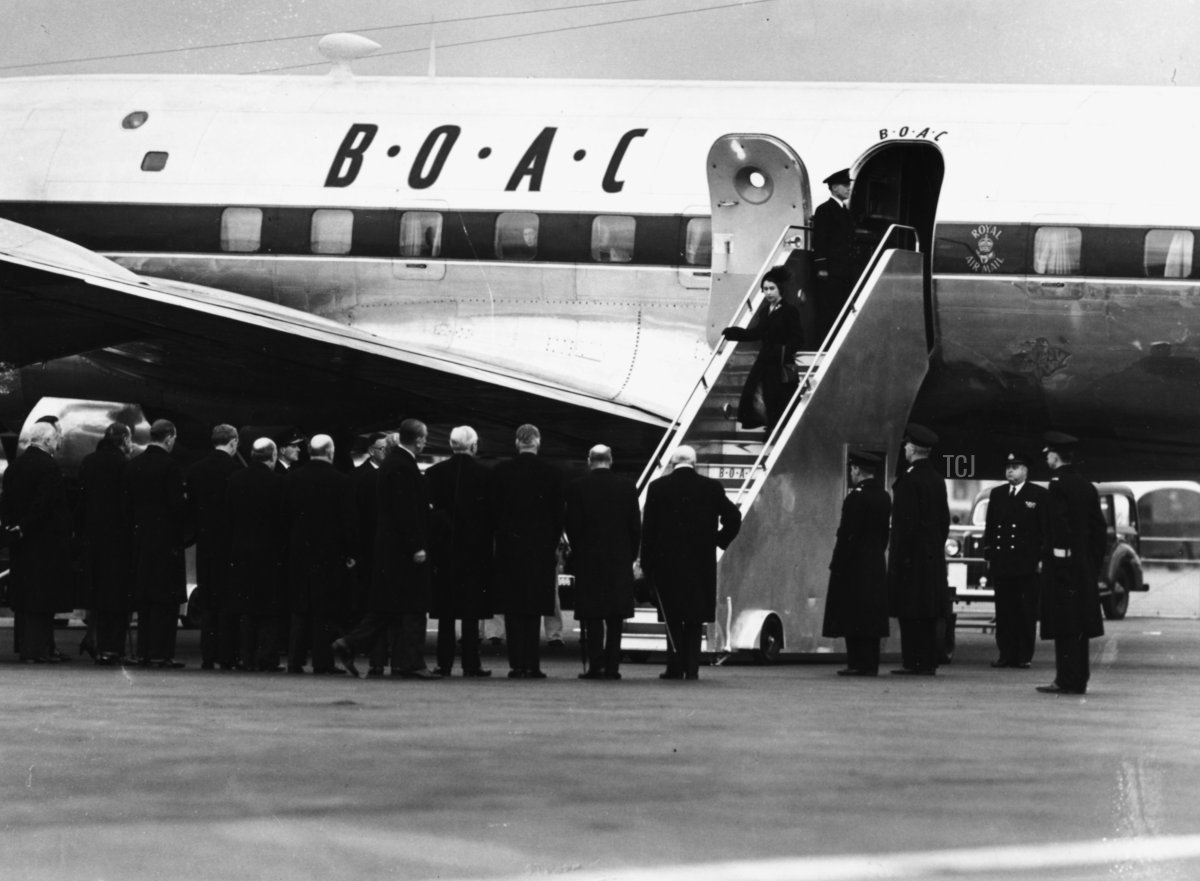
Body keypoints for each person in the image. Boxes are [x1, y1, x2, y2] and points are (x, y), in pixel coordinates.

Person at [335, 419, 437, 679]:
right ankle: (411, 663)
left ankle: (350, 643)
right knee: (413, 607)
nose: (425, 442)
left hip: (389, 549)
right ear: (418, 440)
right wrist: (417, 546)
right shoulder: (403, 465)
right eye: (424, 438)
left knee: (386, 608)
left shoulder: (392, 463)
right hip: (403, 550)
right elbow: (406, 510)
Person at [640, 445, 741, 680]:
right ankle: (692, 667)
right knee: (694, 617)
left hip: (668, 563)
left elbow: (649, 530)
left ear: (673, 463)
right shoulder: (711, 487)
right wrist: (717, 540)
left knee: (673, 616)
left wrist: (646, 563)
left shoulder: (658, 488)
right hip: (700, 562)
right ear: (694, 463)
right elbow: (734, 518)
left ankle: (674, 667)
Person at [490, 424, 565, 679]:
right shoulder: (553, 474)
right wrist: (552, 544)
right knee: (533, 609)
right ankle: (532, 664)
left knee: (512, 608)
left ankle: (516, 664)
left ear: (517, 443)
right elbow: (558, 517)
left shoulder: (500, 472)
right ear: (537, 442)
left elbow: (494, 513)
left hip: (509, 549)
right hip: (539, 550)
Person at [1037, 432, 1106, 696]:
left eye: (1048, 454)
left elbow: (1059, 528)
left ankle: (1065, 679)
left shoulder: (1057, 486)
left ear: (1055, 456)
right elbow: (1099, 530)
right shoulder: (1087, 486)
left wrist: (1059, 561)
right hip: (1083, 566)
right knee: (1079, 625)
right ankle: (1079, 678)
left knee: (1064, 623)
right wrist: (1091, 563)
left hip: (1062, 566)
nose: (1047, 458)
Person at [564, 444, 641, 680]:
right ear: (611, 460)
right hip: (618, 558)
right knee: (615, 616)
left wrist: (578, 552)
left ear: (589, 460)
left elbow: (572, 526)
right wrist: (631, 555)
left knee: (593, 614)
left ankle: (595, 665)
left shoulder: (577, 487)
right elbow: (634, 526)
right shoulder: (627, 488)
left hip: (589, 558)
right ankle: (613, 666)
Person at [284, 434, 358, 675]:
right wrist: (350, 552)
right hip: (329, 554)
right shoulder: (342, 481)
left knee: (299, 608)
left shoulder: (292, 479)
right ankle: (322, 661)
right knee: (323, 610)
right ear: (331, 451)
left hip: (298, 553)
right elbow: (349, 522)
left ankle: (294, 660)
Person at [1, 421, 74, 663]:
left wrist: (16, 527)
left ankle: (25, 648)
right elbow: (46, 504)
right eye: (55, 439)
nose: (58, 444)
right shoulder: (49, 467)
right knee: (43, 599)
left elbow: (7, 502)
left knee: (24, 597)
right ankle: (39, 649)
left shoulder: (15, 467)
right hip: (45, 543)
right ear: (46, 441)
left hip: (20, 542)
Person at [425, 425, 494, 677]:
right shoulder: (486, 475)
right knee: (471, 612)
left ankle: (444, 663)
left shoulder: (434, 473)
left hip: (444, 551)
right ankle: (471, 663)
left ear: (451, 445)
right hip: (475, 551)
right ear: (474, 446)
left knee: (445, 612)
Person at [887, 424, 951, 676]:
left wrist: (900, 558)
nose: (904, 448)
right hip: (931, 558)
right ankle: (926, 661)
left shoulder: (909, 480)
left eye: (906, 445)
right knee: (928, 612)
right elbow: (944, 521)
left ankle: (913, 661)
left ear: (912, 449)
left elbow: (905, 526)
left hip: (911, 560)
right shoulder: (936, 479)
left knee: (910, 612)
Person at [124, 418, 187, 668]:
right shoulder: (170, 467)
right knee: (165, 602)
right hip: (165, 542)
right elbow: (177, 507)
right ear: (169, 437)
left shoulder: (133, 465)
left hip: (140, 541)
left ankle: (144, 652)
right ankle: (162, 653)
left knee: (145, 600)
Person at [822, 451, 891, 676]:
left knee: (853, 614)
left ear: (857, 470)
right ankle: (870, 663)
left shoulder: (856, 498)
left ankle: (856, 663)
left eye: (852, 469)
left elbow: (847, 535)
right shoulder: (884, 496)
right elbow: (883, 535)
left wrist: (838, 563)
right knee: (870, 615)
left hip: (854, 564)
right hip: (875, 562)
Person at [984, 451, 1049, 669]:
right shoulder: (998, 494)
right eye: (1008, 467)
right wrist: (989, 555)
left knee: (1025, 611)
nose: (1010, 470)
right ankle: (1005, 653)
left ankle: (1022, 655)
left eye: (1015, 467)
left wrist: (1040, 559)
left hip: (1026, 564)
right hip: (1002, 562)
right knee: (1004, 611)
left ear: (1025, 471)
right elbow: (991, 528)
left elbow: (1044, 530)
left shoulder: (1038, 494)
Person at [186, 423, 243, 670]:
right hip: (229, 544)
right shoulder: (235, 470)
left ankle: (208, 655)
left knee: (208, 601)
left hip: (205, 544)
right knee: (228, 603)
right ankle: (227, 655)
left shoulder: (195, 470)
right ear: (233, 442)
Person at [226, 438, 286, 671]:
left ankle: (247, 657)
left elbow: (228, 517)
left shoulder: (234, 480)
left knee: (246, 609)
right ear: (272, 456)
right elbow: (282, 520)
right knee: (269, 610)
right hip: (270, 554)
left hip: (241, 552)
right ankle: (267, 658)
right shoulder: (278, 482)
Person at [721, 266, 804, 432]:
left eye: (772, 288)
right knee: (759, 395)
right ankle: (771, 428)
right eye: (765, 289)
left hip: (780, 361)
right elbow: (757, 333)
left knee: (776, 398)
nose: (768, 293)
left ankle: (775, 430)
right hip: (765, 360)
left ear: (780, 289)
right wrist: (734, 333)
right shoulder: (766, 311)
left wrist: (783, 351)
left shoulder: (789, 311)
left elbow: (798, 338)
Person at [78, 422, 134, 664]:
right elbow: (126, 506)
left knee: (96, 594)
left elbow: (81, 502)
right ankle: (111, 647)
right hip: (117, 540)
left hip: (92, 538)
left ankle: (94, 640)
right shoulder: (123, 465)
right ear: (123, 440)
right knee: (117, 596)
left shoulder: (88, 462)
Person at [353, 432, 392, 675]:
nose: (384, 452)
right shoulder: (361, 477)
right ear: (371, 451)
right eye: (380, 448)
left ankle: (375, 651)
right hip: (369, 548)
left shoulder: (384, 474)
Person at [810, 167, 856, 342]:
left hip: (844, 270)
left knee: (841, 307)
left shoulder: (845, 211)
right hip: (831, 270)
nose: (848, 189)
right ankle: (825, 343)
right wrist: (821, 267)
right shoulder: (825, 210)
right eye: (845, 185)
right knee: (829, 309)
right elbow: (819, 240)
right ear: (834, 188)